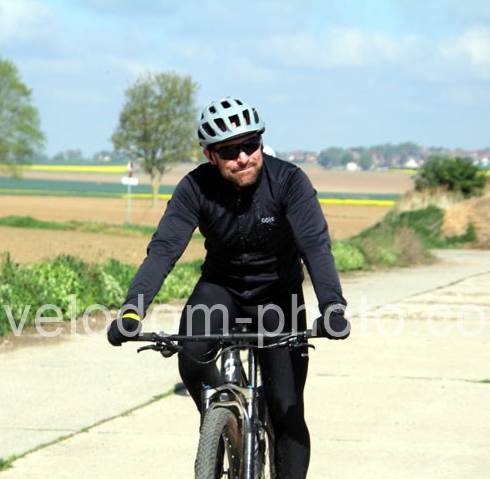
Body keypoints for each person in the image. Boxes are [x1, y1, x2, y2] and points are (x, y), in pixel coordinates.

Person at [107, 96, 350, 478]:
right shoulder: (195, 187)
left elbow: (315, 246)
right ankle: (221, 418)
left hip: (278, 295)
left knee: (286, 407)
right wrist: (132, 309)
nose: (243, 158)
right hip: (222, 288)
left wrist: (332, 306)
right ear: (210, 155)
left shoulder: (289, 182)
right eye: (229, 151)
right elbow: (164, 250)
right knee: (191, 353)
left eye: (251, 145)